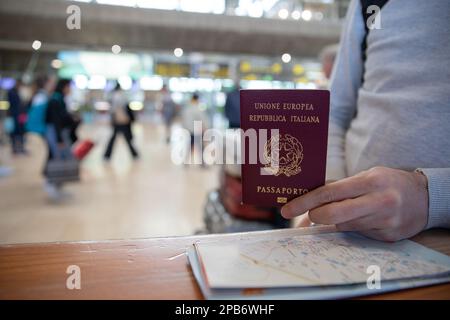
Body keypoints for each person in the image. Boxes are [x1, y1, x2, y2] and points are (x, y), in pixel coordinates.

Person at [281, 0, 450, 241]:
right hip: (352, 233)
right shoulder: (368, 4)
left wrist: (432, 198)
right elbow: (335, 112)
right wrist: (332, 196)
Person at [44, 79, 78, 200]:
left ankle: (57, 186)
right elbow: (56, 121)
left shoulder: (59, 98)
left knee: (59, 157)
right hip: (54, 132)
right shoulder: (55, 99)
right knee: (55, 157)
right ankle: (50, 185)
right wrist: (59, 139)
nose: (70, 89)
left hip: (58, 132)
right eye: (69, 87)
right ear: (64, 87)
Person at [104, 83, 138, 160]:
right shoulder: (120, 96)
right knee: (126, 137)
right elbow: (121, 108)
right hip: (121, 120)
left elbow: (112, 109)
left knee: (118, 138)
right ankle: (134, 154)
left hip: (118, 120)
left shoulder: (114, 96)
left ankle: (107, 155)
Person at [181, 93, 210, 166]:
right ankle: (202, 162)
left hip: (189, 130)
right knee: (199, 146)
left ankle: (186, 161)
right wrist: (206, 128)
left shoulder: (187, 108)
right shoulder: (197, 108)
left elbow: (184, 119)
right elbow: (203, 119)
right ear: (197, 99)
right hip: (196, 130)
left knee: (190, 145)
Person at [7, 79, 27, 154]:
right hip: (15, 115)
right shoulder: (12, 93)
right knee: (15, 132)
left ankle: (19, 148)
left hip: (19, 115)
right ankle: (16, 149)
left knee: (20, 132)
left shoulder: (16, 92)